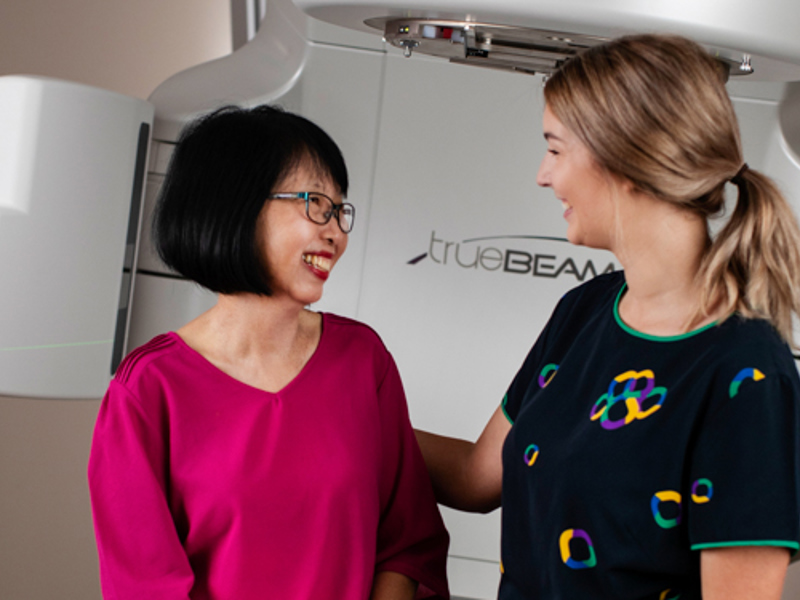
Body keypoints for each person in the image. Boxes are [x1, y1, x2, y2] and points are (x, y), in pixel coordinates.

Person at [416, 34, 800, 599]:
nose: (543, 175)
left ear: (625, 157)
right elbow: (477, 475)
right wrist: (349, 413)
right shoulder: (586, 309)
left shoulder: (748, 373)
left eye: (555, 149)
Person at [88, 105, 449, 600]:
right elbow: (144, 587)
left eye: (339, 210)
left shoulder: (363, 360)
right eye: (315, 203)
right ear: (236, 206)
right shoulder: (149, 390)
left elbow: (406, 544)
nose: (336, 233)